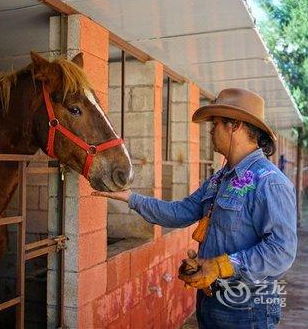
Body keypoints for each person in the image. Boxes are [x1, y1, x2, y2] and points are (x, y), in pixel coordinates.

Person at [92, 88, 297, 329]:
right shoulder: (221, 178)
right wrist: (130, 198)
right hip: (211, 302)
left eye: (217, 123)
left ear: (235, 126)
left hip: (246, 309)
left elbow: (282, 250)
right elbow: (181, 212)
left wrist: (219, 265)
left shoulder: (269, 181)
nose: (211, 130)